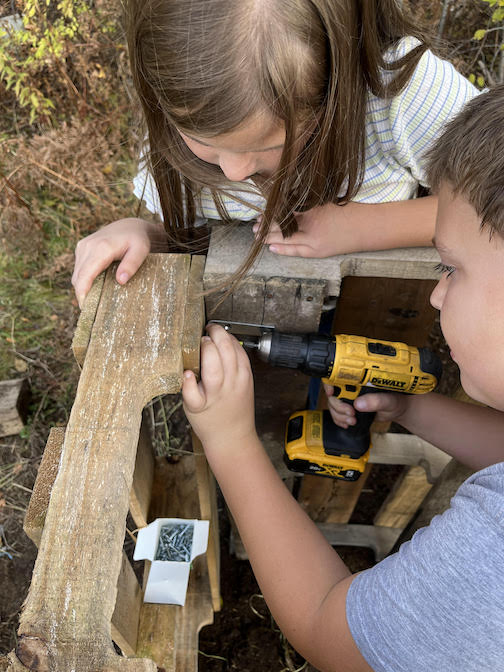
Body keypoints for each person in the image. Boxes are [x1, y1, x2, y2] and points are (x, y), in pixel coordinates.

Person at [181, 85, 504, 672]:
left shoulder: (494, 555)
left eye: (451, 269)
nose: (434, 293)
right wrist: (411, 411)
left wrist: (230, 442)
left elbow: (331, 633)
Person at [72, 0, 478, 308]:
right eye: (204, 141)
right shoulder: (180, 122)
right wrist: (147, 235)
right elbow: (197, 239)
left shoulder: (399, 92)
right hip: (257, 337)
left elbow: (493, 204)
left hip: (386, 315)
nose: (233, 170)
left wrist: (366, 226)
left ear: (332, 88)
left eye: (269, 146)